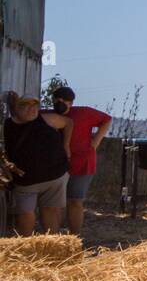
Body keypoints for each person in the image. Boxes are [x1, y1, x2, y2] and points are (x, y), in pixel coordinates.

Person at [3, 91, 72, 236]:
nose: (32, 109)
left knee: (51, 211)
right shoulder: (7, 126)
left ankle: (52, 248)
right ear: (16, 108)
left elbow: (68, 123)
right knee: (25, 213)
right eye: (25, 105)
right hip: (26, 180)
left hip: (55, 177)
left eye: (34, 105)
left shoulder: (46, 119)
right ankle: (26, 247)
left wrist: (66, 146)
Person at [50, 85, 112, 236]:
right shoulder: (48, 115)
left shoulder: (84, 113)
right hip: (57, 165)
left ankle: (75, 238)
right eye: (57, 99)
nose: (60, 103)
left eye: (65, 100)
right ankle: (53, 238)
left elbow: (107, 120)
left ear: (71, 103)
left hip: (82, 164)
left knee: (75, 201)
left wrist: (96, 141)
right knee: (55, 204)